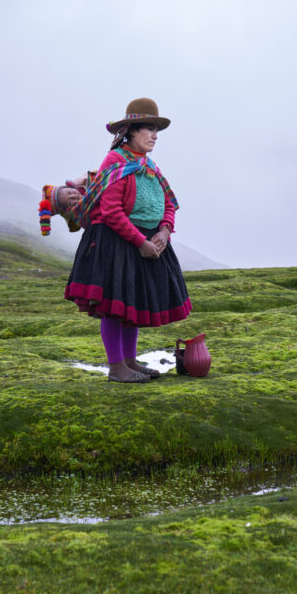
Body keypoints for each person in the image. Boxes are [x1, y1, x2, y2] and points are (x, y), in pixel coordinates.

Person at [63, 98, 192, 383]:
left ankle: (131, 360)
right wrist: (140, 243)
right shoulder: (116, 161)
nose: (155, 135)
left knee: (130, 304)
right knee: (114, 306)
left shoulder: (149, 165)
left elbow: (169, 203)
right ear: (131, 131)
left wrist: (164, 232)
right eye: (149, 128)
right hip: (115, 242)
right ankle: (117, 367)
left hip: (144, 241)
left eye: (157, 130)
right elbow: (111, 211)